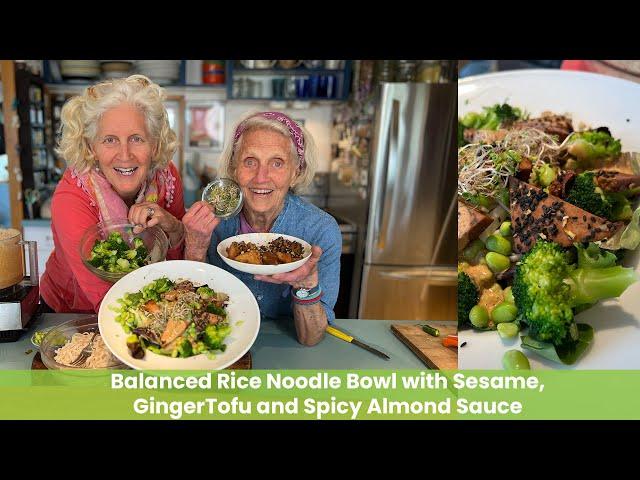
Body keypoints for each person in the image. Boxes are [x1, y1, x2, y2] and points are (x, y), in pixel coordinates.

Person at [183, 111, 341, 346]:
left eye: (277, 163)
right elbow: (189, 319)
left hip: (287, 352)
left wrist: (306, 284)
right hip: (223, 344)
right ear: (234, 168)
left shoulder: (320, 230)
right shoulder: (212, 224)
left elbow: (312, 337)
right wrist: (195, 249)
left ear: (295, 173)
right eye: (250, 162)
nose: (261, 177)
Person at [40, 75, 185, 313]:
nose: (125, 155)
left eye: (137, 139)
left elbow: (179, 265)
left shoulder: (166, 179)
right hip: (69, 313)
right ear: (91, 148)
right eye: (110, 140)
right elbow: (104, 299)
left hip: (143, 306)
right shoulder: (72, 197)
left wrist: (173, 226)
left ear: (155, 145)